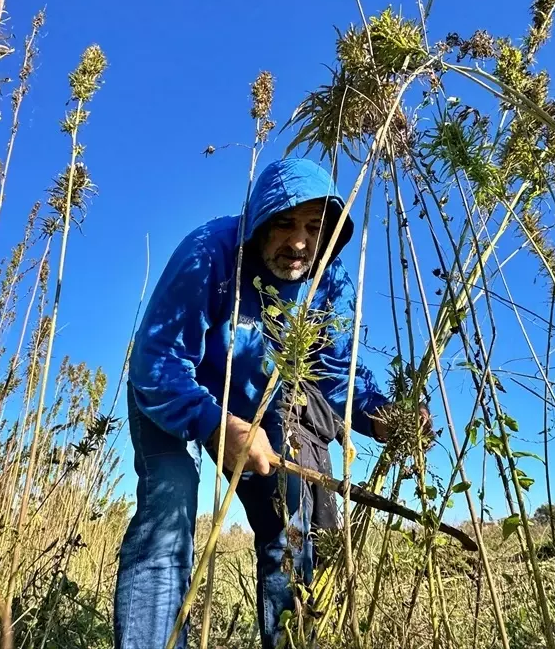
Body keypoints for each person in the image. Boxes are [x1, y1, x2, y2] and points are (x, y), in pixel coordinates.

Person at [114, 158, 403, 649]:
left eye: (315, 228)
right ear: (259, 222)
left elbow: (334, 370)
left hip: (257, 408)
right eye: (285, 223)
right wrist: (212, 422)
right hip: (171, 393)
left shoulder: (328, 282)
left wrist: (382, 416)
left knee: (288, 523)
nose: (299, 242)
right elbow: (156, 360)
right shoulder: (209, 253)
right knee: (171, 506)